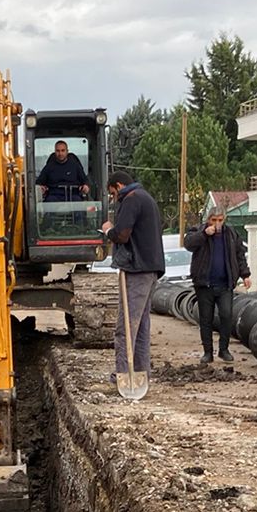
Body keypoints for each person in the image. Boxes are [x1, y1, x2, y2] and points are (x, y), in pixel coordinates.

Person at [101, 169, 164, 394]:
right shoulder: (146, 198)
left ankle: (124, 373)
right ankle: (141, 372)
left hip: (137, 270)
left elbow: (122, 235)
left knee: (126, 327)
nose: (114, 198)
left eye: (113, 194)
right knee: (141, 325)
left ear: (119, 186)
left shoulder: (131, 199)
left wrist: (108, 230)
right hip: (150, 268)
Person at [183, 208, 252, 367]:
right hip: (204, 284)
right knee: (206, 318)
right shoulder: (198, 231)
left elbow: (240, 255)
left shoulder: (231, 234)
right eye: (214, 220)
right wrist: (204, 234)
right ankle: (208, 352)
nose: (217, 223)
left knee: (226, 315)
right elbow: (188, 244)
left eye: (220, 220)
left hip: (225, 284)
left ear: (224, 219)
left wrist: (245, 275)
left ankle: (224, 349)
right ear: (208, 220)